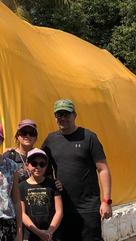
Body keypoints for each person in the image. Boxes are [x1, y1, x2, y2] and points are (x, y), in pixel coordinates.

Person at [41, 99, 112, 241]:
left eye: (66, 114)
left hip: (88, 207)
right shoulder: (50, 140)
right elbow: (42, 168)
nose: (62, 118)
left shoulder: (88, 137)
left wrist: (106, 201)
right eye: (59, 114)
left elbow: (103, 169)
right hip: (61, 209)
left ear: (75, 115)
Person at [20, 148, 63, 241]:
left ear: (46, 166)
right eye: (34, 164)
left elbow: (59, 212)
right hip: (30, 235)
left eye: (42, 164)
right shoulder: (22, 186)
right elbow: (22, 214)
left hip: (51, 235)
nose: (38, 167)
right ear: (27, 165)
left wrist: (49, 233)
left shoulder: (53, 184)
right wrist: (39, 233)